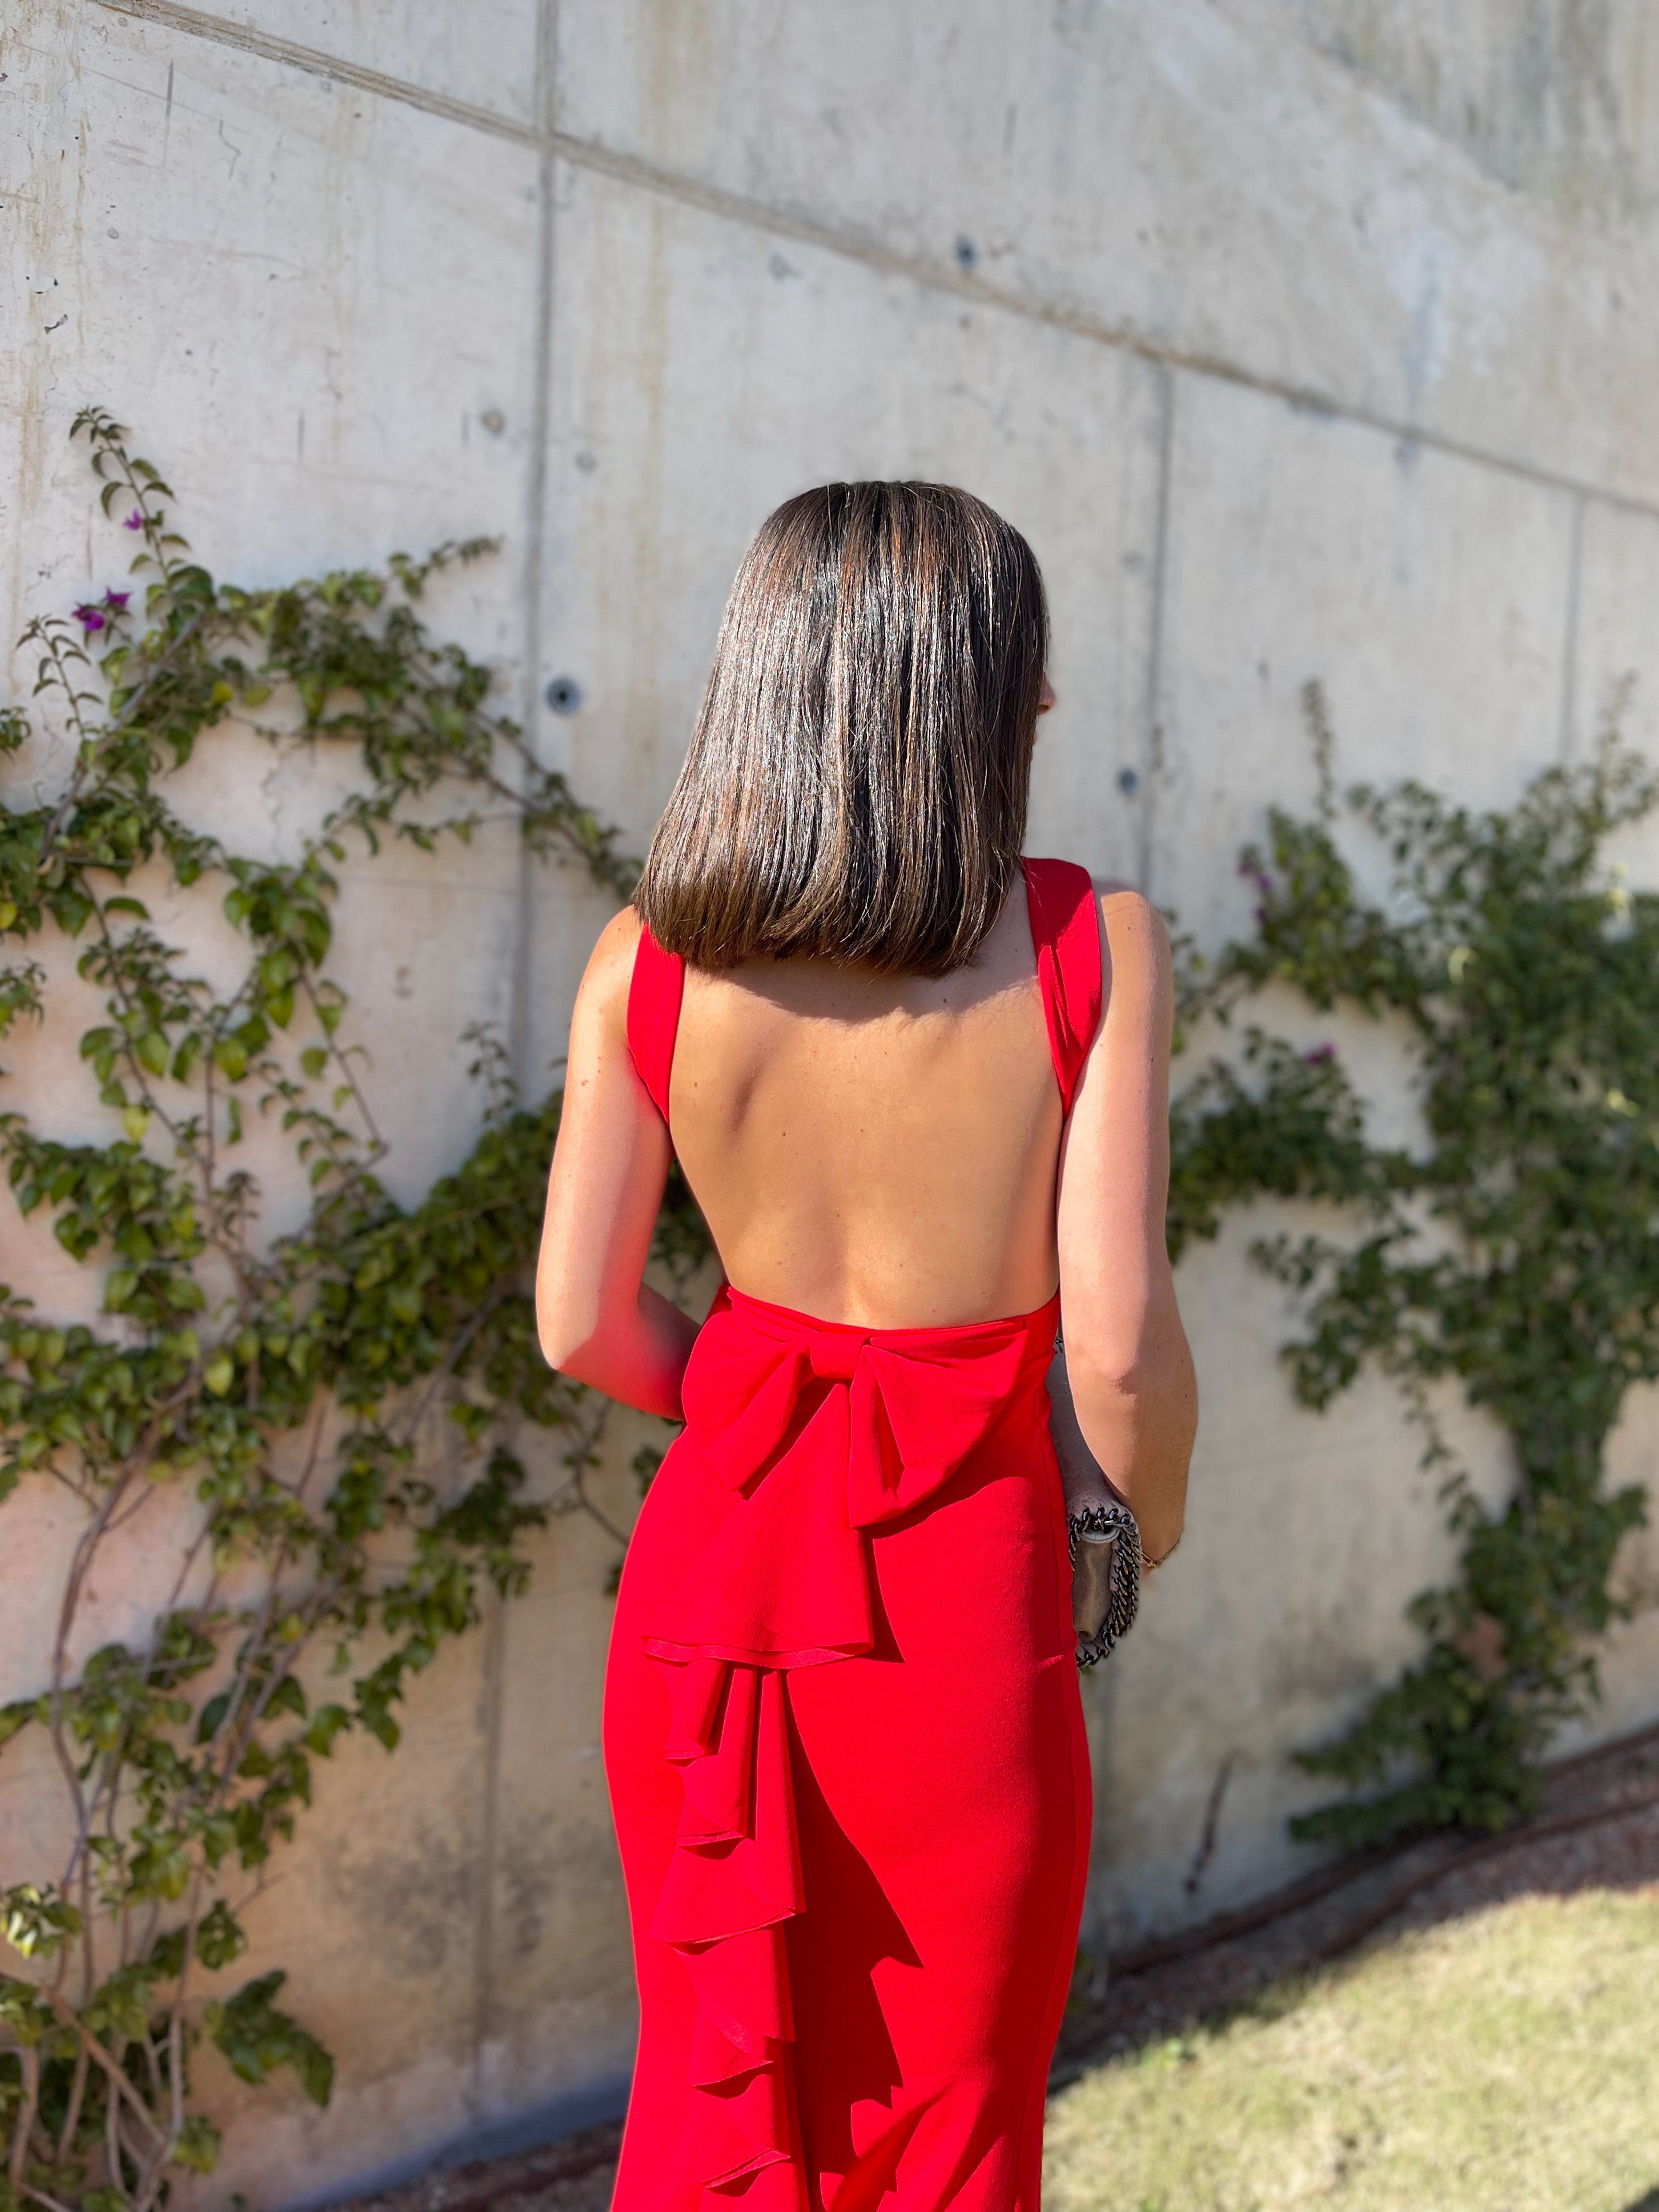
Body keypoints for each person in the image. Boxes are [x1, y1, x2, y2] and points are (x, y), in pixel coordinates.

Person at [536, 481, 1196, 2211]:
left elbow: (580, 1321)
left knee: (715, 2098)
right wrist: (1122, 1539)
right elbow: (1117, 1350)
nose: (1045, 705)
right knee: (949, 2128)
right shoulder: (1089, 944)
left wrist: (781, 1426)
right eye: (1025, 671)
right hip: (962, 1605)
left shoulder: (644, 960)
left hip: (705, 1596)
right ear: (970, 692)